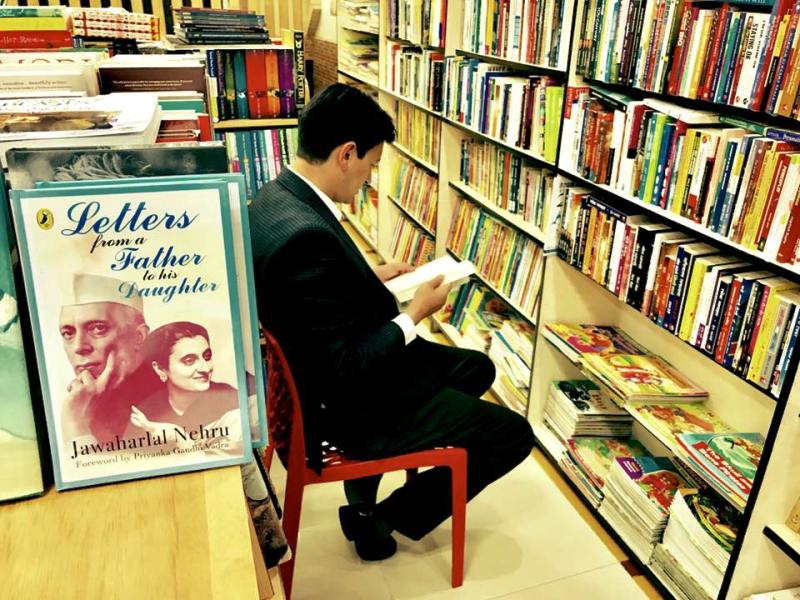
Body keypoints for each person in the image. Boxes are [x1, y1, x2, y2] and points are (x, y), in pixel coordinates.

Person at [249, 83, 534, 561]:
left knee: (477, 369)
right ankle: (380, 515)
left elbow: (313, 295)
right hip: (350, 404)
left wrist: (368, 277)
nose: (368, 178)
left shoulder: (277, 197)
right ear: (346, 153)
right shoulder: (307, 234)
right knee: (512, 434)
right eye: (369, 166)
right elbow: (345, 368)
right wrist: (415, 312)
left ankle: (375, 488)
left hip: (331, 367)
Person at [58, 273, 150, 442]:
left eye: (98, 329)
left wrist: (75, 426)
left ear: (139, 338)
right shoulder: (78, 402)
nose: (79, 347)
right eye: (68, 333)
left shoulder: (176, 399)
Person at [129, 321, 241, 446]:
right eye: (189, 361)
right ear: (160, 369)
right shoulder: (145, 414)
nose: (204, 368)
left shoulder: (230, 399)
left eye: (207, 356)